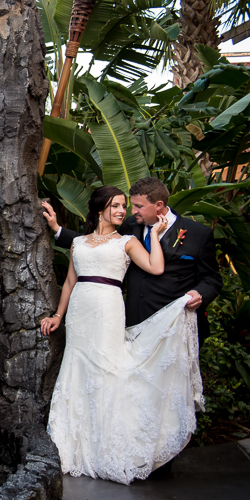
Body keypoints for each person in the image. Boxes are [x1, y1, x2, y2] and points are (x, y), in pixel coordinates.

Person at [41, 185, 205, 484]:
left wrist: (154, 236)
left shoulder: (128, 240)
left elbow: (156, 267)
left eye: (125, 206)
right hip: (80, 311)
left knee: (107, 368)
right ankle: (72, 442)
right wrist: (57, 315)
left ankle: (109, 442)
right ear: (100, 208)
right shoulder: (79, 242)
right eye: (116, 206)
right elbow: (68, 283)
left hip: (108, 308)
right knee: (76, 367)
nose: (123, 211)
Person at [42, 176, 223, 343]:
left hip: (175, 321)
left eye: (138, 206)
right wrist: (57, 229)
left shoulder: (198, 233)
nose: (131, 210)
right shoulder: (131, 224)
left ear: (158, 205)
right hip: (134, 320)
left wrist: (199, 294)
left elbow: (212, 279)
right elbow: (99, 244)